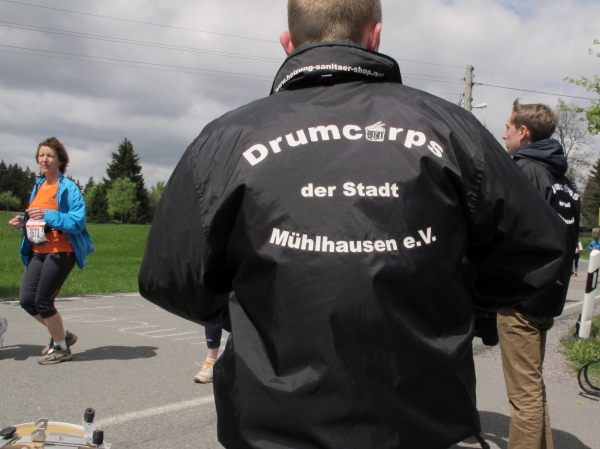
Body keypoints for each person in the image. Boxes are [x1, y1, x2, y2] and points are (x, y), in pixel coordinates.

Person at [139, 1, 568, 447]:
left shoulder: (225, 139)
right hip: (421, 423)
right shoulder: (452, 130)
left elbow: (169, 276)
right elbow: (538, 255)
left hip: (272, 427)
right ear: (374, 36)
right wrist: (446, 296)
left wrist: (263, 308)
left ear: (288, 43)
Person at [500, 99, 580, 449]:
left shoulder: (523, 170)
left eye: (507, 127)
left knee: (524, 396)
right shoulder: (563, 179)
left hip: (522, 296)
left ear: (523, 131)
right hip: (549, 293)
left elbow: (506, 228)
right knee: (533, 386)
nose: (503, 134)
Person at [8, 137, 94, 365]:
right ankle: (62, 335)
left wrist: (48, 215)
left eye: (50, 156)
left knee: (43, 301)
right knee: (28, 300)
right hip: (38, 250)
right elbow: (37, 220)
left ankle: (61, 348)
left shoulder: (68, 188)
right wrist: (23, 223)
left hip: (61, 251)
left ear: (60, 161)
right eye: (41, 155)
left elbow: (77, 222)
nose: (44, 160)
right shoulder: (39, 186)